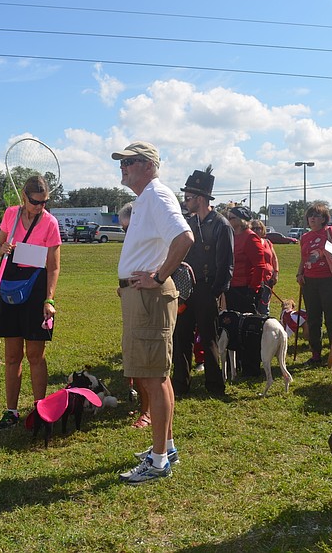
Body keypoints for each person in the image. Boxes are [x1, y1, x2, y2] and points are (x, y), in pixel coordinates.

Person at [111, 141, 193, 484]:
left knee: (152, 378)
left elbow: (184, 238)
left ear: (148, 165)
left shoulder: (157, 195)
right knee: (157, 375)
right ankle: (165, 448)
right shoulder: (147, 198)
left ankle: (158, 461)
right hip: (141, 296)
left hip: (149, 297)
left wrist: (157, 276)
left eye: (129, 161)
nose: (123, 167)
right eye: (121, 162)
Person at [0, 175, 61, 429]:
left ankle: (39, 410)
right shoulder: (11, 214)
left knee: (35, 355)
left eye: (44, 202)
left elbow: (53, 266)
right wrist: (1, 248)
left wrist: (49, 299)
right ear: (24, 196)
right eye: (35, 202)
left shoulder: (50, 222)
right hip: (10, 285)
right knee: (12, 355)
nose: (40, 207)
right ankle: (11, 411)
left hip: (36, 288)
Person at [172, 165, 234, 398]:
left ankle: (214, 385)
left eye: (188, 197)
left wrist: (215, 292)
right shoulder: (188, 223)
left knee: (208, 338)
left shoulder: (220, 224)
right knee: (181, 336)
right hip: (185, 288)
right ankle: (180, 383)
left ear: (200, 198)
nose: (185, 201)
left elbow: (226, 263)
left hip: (207, 288)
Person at [296, 203, 332, 364]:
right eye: (310, 216)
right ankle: (316, 354)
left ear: (323, 219)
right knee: (313, 318)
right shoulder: (305, 237)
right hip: (310, 282)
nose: (312, 218)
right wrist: (299, 273)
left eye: (316, 215)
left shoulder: (331, 231)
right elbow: (304, 259)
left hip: (330, 280)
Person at [118, 202, 151, 428]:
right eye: (123, 230)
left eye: (129, 228)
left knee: (145, 359)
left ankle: (148, 411)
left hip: (147, 301)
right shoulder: (133, 242)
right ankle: (143, 406)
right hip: (131, 297)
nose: (126, 233)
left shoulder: (150, 242)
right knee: (133, 356)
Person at [225, 206, 264, 314]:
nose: (228, 220)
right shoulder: (232, 236)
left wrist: (253, 290)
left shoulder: (250, 237)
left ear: (240, 220)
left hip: (245, 289)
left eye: (231, 218)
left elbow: (259, 266)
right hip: (232, 287)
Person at [250, 219, 278, 315]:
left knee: (264, 307)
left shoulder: (268, 243)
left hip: (267, 279)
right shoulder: (248, 242)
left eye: (259, 228)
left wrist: (276, 273)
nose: (256, 230)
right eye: (253, 228)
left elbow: (274, 258)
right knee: (253, 307)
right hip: (253, 280)